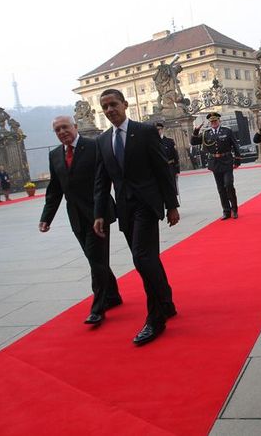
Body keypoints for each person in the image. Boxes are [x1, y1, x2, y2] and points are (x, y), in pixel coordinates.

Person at [93, 89, 179, 346]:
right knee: (148, 258)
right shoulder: (103, 140)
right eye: (105, 106)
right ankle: (167, 302)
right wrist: (99, 213)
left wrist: (172, 205)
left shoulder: (144, 132)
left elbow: (162, 170)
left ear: (125, 104)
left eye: (113, 104)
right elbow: (101, 180)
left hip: (147, 205)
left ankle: (155, 318)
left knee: (142, 258)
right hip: (125, 210)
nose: (110, 110)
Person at [39, 116, 122, 325]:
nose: (62, 132)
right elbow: (55, 188)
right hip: (76, 216)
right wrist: (46, 217)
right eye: (57, 130)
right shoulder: (55, 155)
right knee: (95, 259)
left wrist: (99, 213)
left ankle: (98, 308)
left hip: (98, 213)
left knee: (96, 259)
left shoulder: (94, 146)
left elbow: (104, 182)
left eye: (65, 127)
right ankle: (112, 295)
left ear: (75, 127)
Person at [190, 112, 242, 219]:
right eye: (212, 121)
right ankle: (226, 211)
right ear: (210, 123)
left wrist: (237, 159)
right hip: (214, 162)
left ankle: (234, 208)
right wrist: (196, 130)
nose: (213, 123)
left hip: (226, 161)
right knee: (220, 188)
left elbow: (235, 145)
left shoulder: (227, 131)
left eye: (215, 121)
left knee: (228, 184)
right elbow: (194, 142)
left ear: (219, 121)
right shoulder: (206, 133)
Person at [155, 122, 180, 192]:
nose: (158, 131)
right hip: (159, 168)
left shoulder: (169, 141)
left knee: (173, 188)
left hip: (170, 167)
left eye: (159, 129)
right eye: (156, 130)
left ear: (162, 130)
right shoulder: (153, 143)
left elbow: (175, 155)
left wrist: (177, 169)